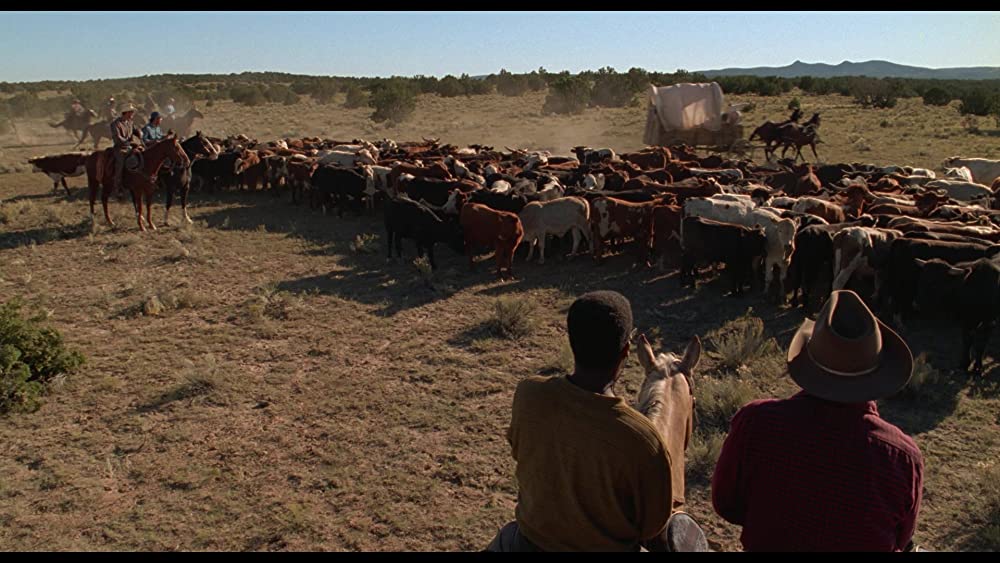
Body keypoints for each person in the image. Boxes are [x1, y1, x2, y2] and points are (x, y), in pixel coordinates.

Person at [711, 289, 924, 552]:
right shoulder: (902, 457)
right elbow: (902, 538)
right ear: (879, 372)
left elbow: (726, 504)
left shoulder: (756, 423)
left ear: (809, 361)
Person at [486, 291, 696, 552]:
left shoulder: (529, 395)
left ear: (571, 341)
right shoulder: (642, 439)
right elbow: (652, 527)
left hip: (531, 543)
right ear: (626, 352)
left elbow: (519, 452)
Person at [110, 104, 143, 194]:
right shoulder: (115, 124)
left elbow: (135, 131)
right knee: (120, 162)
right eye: (131, 112)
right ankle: (117, 186)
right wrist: (129, 143)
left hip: (130, 146)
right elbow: (117, 138)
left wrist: (140, 132)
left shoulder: (130, 122)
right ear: (126, 113)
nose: (133, 114)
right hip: (120, 148)